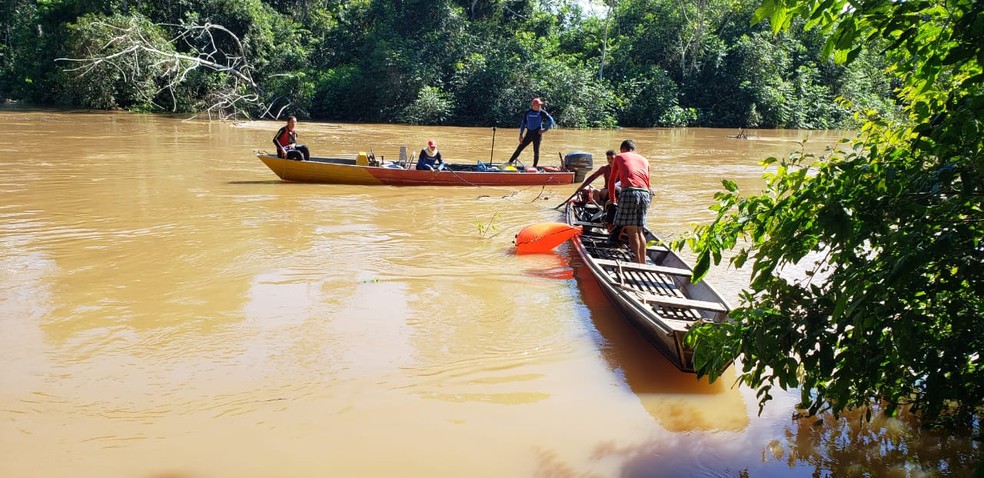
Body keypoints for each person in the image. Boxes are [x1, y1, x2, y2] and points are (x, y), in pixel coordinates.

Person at [607, 139, 652, 264]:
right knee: (639, 229)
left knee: (631, 231)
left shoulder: (619, 157)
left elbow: (611, 181)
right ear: (634, 150)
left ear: (622, 150)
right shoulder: (644, 160)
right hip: (645, 193)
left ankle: (637, 262)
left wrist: (612, 201)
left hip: (629, 192)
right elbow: (648, 184)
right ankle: (643, 261)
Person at [507, 97, 555, 168]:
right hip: (528, 134)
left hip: (537, 134)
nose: (540, 106)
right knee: (519, 148)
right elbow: (523, 123)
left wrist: (545, 130)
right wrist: (521, 134)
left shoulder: (542, 113)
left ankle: (534, 167)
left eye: (540, 105)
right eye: (539, 105)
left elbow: (551, 120)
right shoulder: (528, 112)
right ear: (534, 105)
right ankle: (510, 162)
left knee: (536, 151)